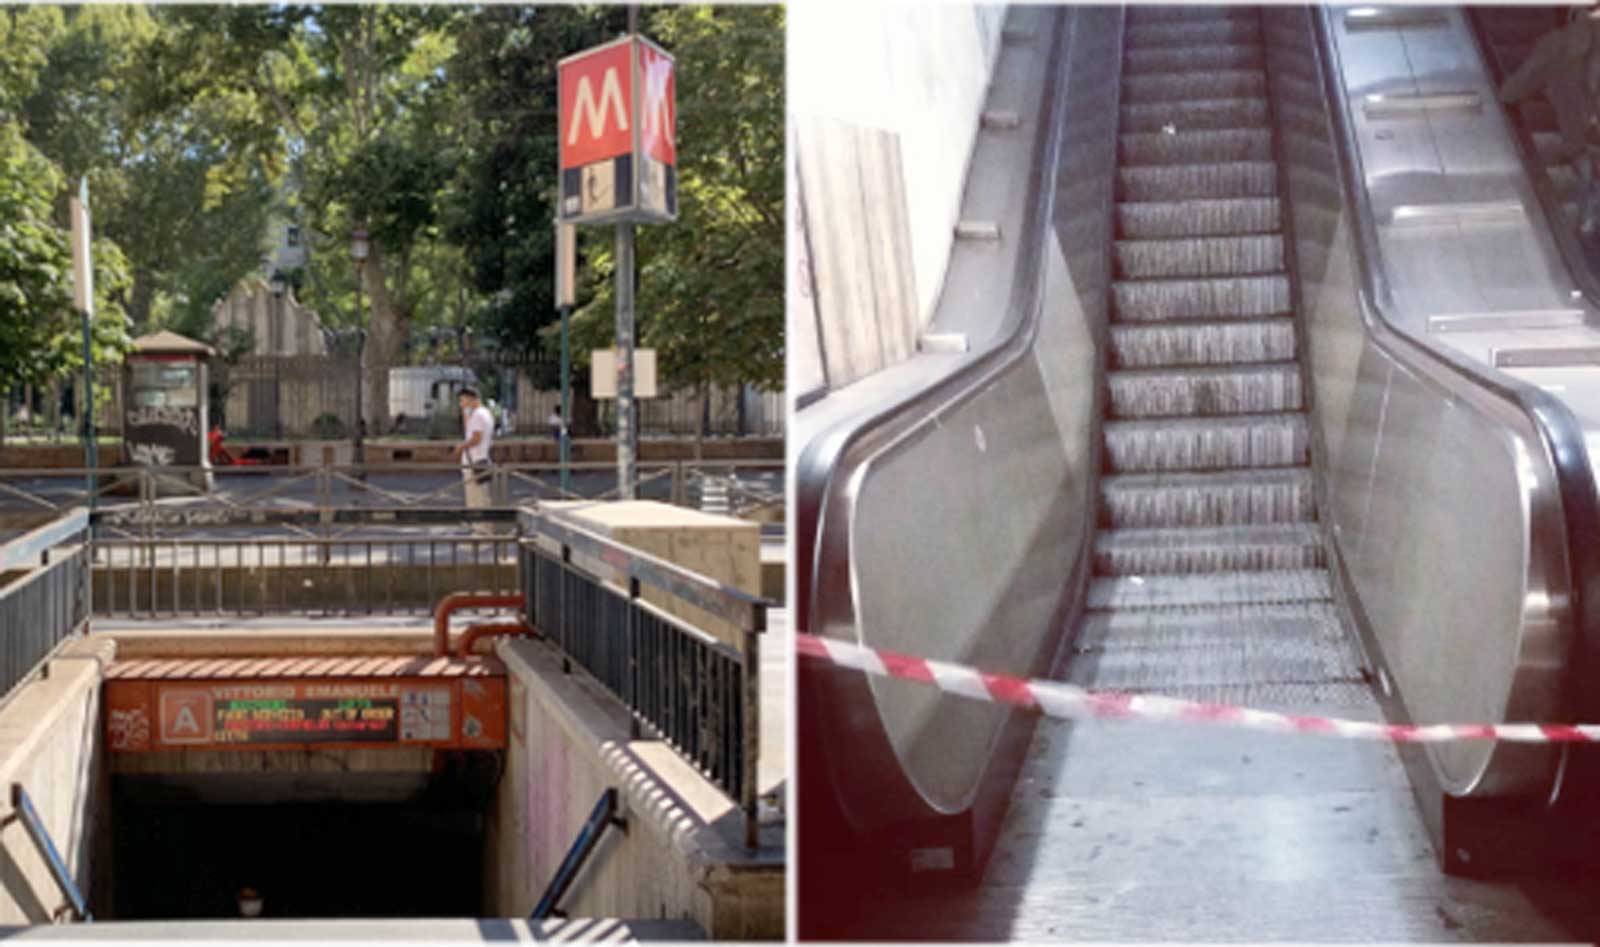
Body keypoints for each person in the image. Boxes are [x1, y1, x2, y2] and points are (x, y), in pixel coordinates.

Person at [1500, 6, 1600, 236]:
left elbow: (1513, 90)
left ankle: (1587, 220)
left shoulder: (1556, 44)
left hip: (1580, 136)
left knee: (1585, 164)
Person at [454, 387, 495, 532]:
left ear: (471, 398)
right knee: (479, 497)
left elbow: (476, 438)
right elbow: (469, 431)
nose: (461, 403)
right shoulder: (483, 413)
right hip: (480, 459)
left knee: (476, 498)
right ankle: (480, 527)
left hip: (475, 461)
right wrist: (466, 414)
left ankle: (481, 530)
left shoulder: (478, 415)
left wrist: (461, 447)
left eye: (462, 400)